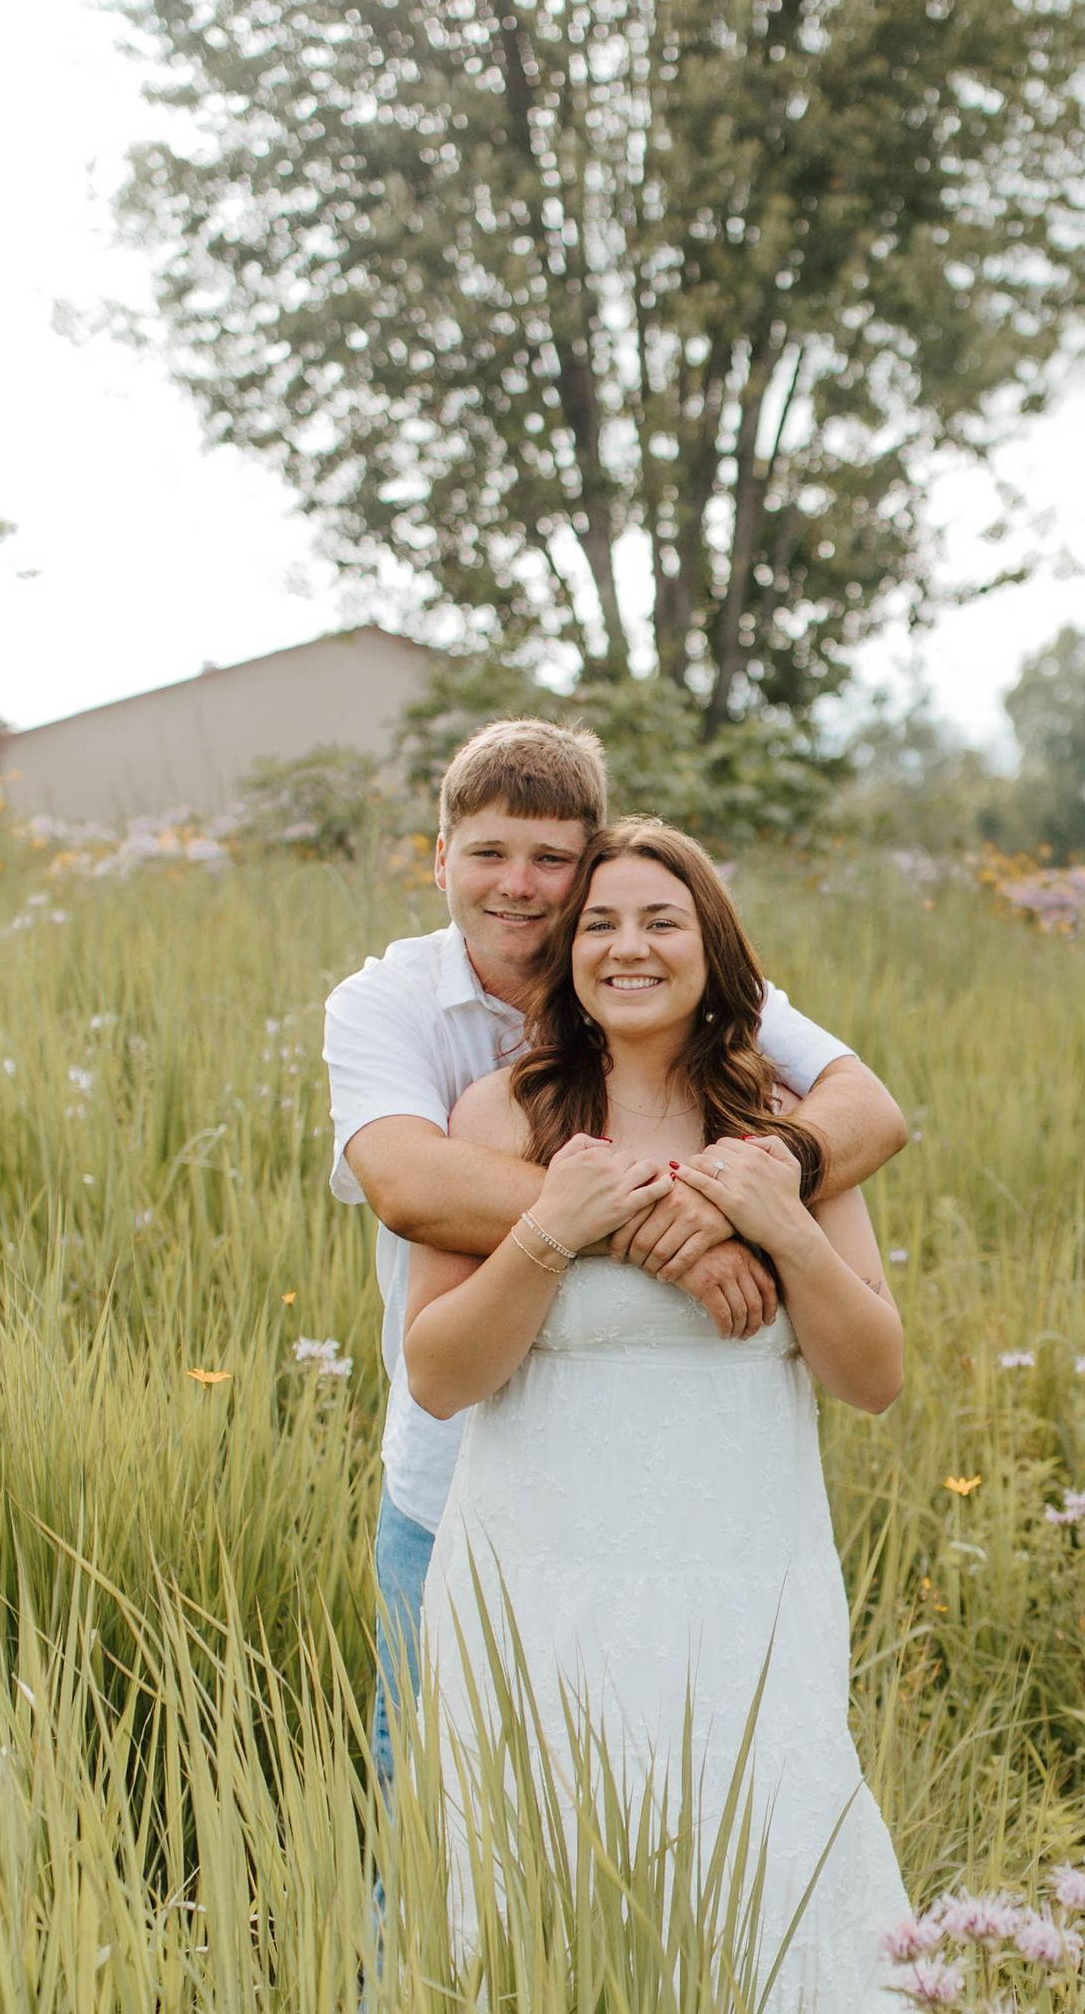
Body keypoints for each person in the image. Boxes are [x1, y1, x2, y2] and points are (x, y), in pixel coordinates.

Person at [323, 720, 907, 1795]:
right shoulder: (415, 1031)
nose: (519, 885)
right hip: (471, 1502)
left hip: (729, 1550)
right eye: (489, 852)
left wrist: (771, 1200)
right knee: (441, 1828)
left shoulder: (745, 1067)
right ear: (440, 857)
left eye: (552, 859)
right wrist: (662, 1223)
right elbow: (409, 1187)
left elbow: (867, 1111)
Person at [402, 817, 911, 2008]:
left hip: (743, 1585)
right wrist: (551, 1226)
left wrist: (780, 1223)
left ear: (712, 945)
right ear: (567, 952)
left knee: (762, 1878)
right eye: (599, 923)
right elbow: (437, 1374)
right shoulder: (502, 1113)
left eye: (660, 920)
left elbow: (873, 1374)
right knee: (541, 1898)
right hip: (536, 1586)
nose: (627, 947)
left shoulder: (782, 1122)